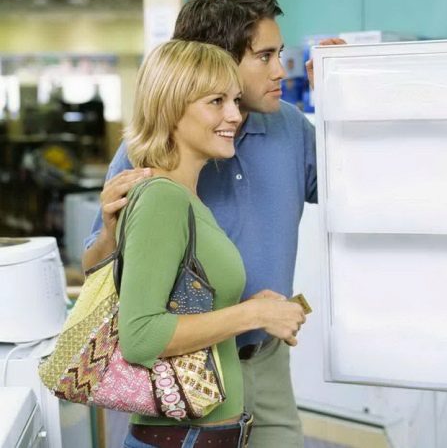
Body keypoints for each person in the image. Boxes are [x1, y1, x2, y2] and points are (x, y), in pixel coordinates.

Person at [83, 0, 342, 447]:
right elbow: (102, 279)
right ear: (214, 61)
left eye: (279, 53)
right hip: (186, 373)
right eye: (264, 56)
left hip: (264, 357)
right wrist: (109, 232)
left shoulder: (289, 128)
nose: (279, 70)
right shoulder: (147, 160)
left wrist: (348, 107)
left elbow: (359, 198)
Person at [114, 39, 306, 448]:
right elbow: (140, 336)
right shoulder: (163, 198)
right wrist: (252, 314)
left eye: (234, 100)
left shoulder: (186, 197)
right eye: (216, 102)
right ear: (170, 108)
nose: (234, 115)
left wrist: (254, 308)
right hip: (184, 437)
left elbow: (182, 305)